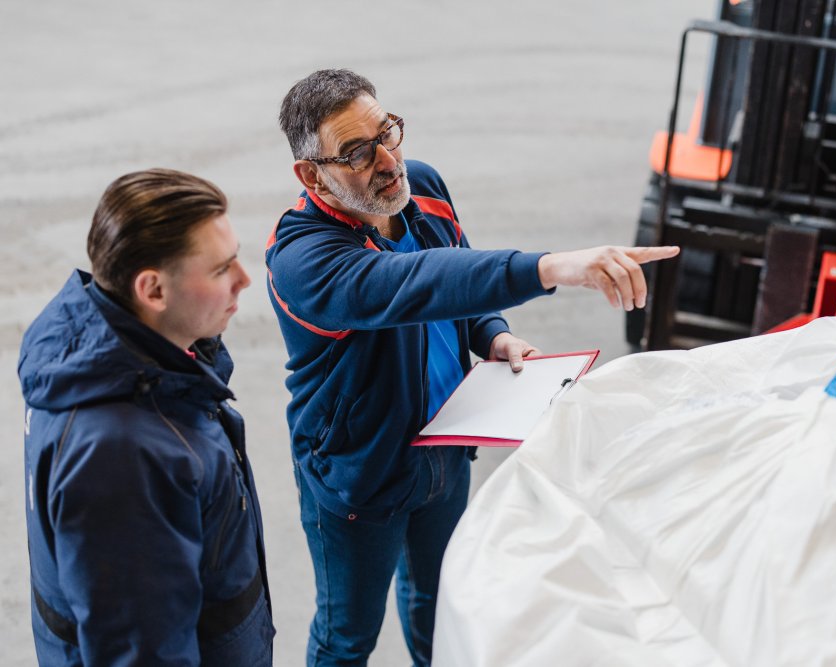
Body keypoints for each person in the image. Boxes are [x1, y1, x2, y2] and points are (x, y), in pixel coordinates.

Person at [268, 68, 679, 666]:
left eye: (389, 132)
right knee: (346, 635)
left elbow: (456, 282)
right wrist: (552, 267)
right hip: (359, 474)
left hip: (446, 449)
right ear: (312, 175)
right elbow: (411, 284)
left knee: (441, 605)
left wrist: (495, 336)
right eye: (358, 153)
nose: (388, 161)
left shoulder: (422, 187)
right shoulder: (304, 260)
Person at [19, 168, 274, 666]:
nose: (246, 278)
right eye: (222, 269)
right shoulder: (121, 455)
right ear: (153, 290)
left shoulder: (148, 360)